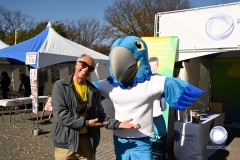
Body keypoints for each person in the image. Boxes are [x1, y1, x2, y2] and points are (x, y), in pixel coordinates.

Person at [51, 54, 139, 160]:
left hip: (86, 141)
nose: (86, 69)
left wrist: (118, 124)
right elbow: (61, 114)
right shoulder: (61, 86)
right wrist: (86, 123)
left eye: (90, 68)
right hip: (65, 142)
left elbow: (100, 116)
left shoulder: (93, 90)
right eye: (84, 64)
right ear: (76, 64)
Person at [149, 57, 168, 160]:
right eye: (151, 65)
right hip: (147, 114)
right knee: (148, 136)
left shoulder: (160, 78)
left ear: (157, 66)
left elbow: (163, 95)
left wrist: (163, 106)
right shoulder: (144, 79)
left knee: (162, 134)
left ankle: (161, 154)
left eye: (155, 65)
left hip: (157, 112)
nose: (153, 68)